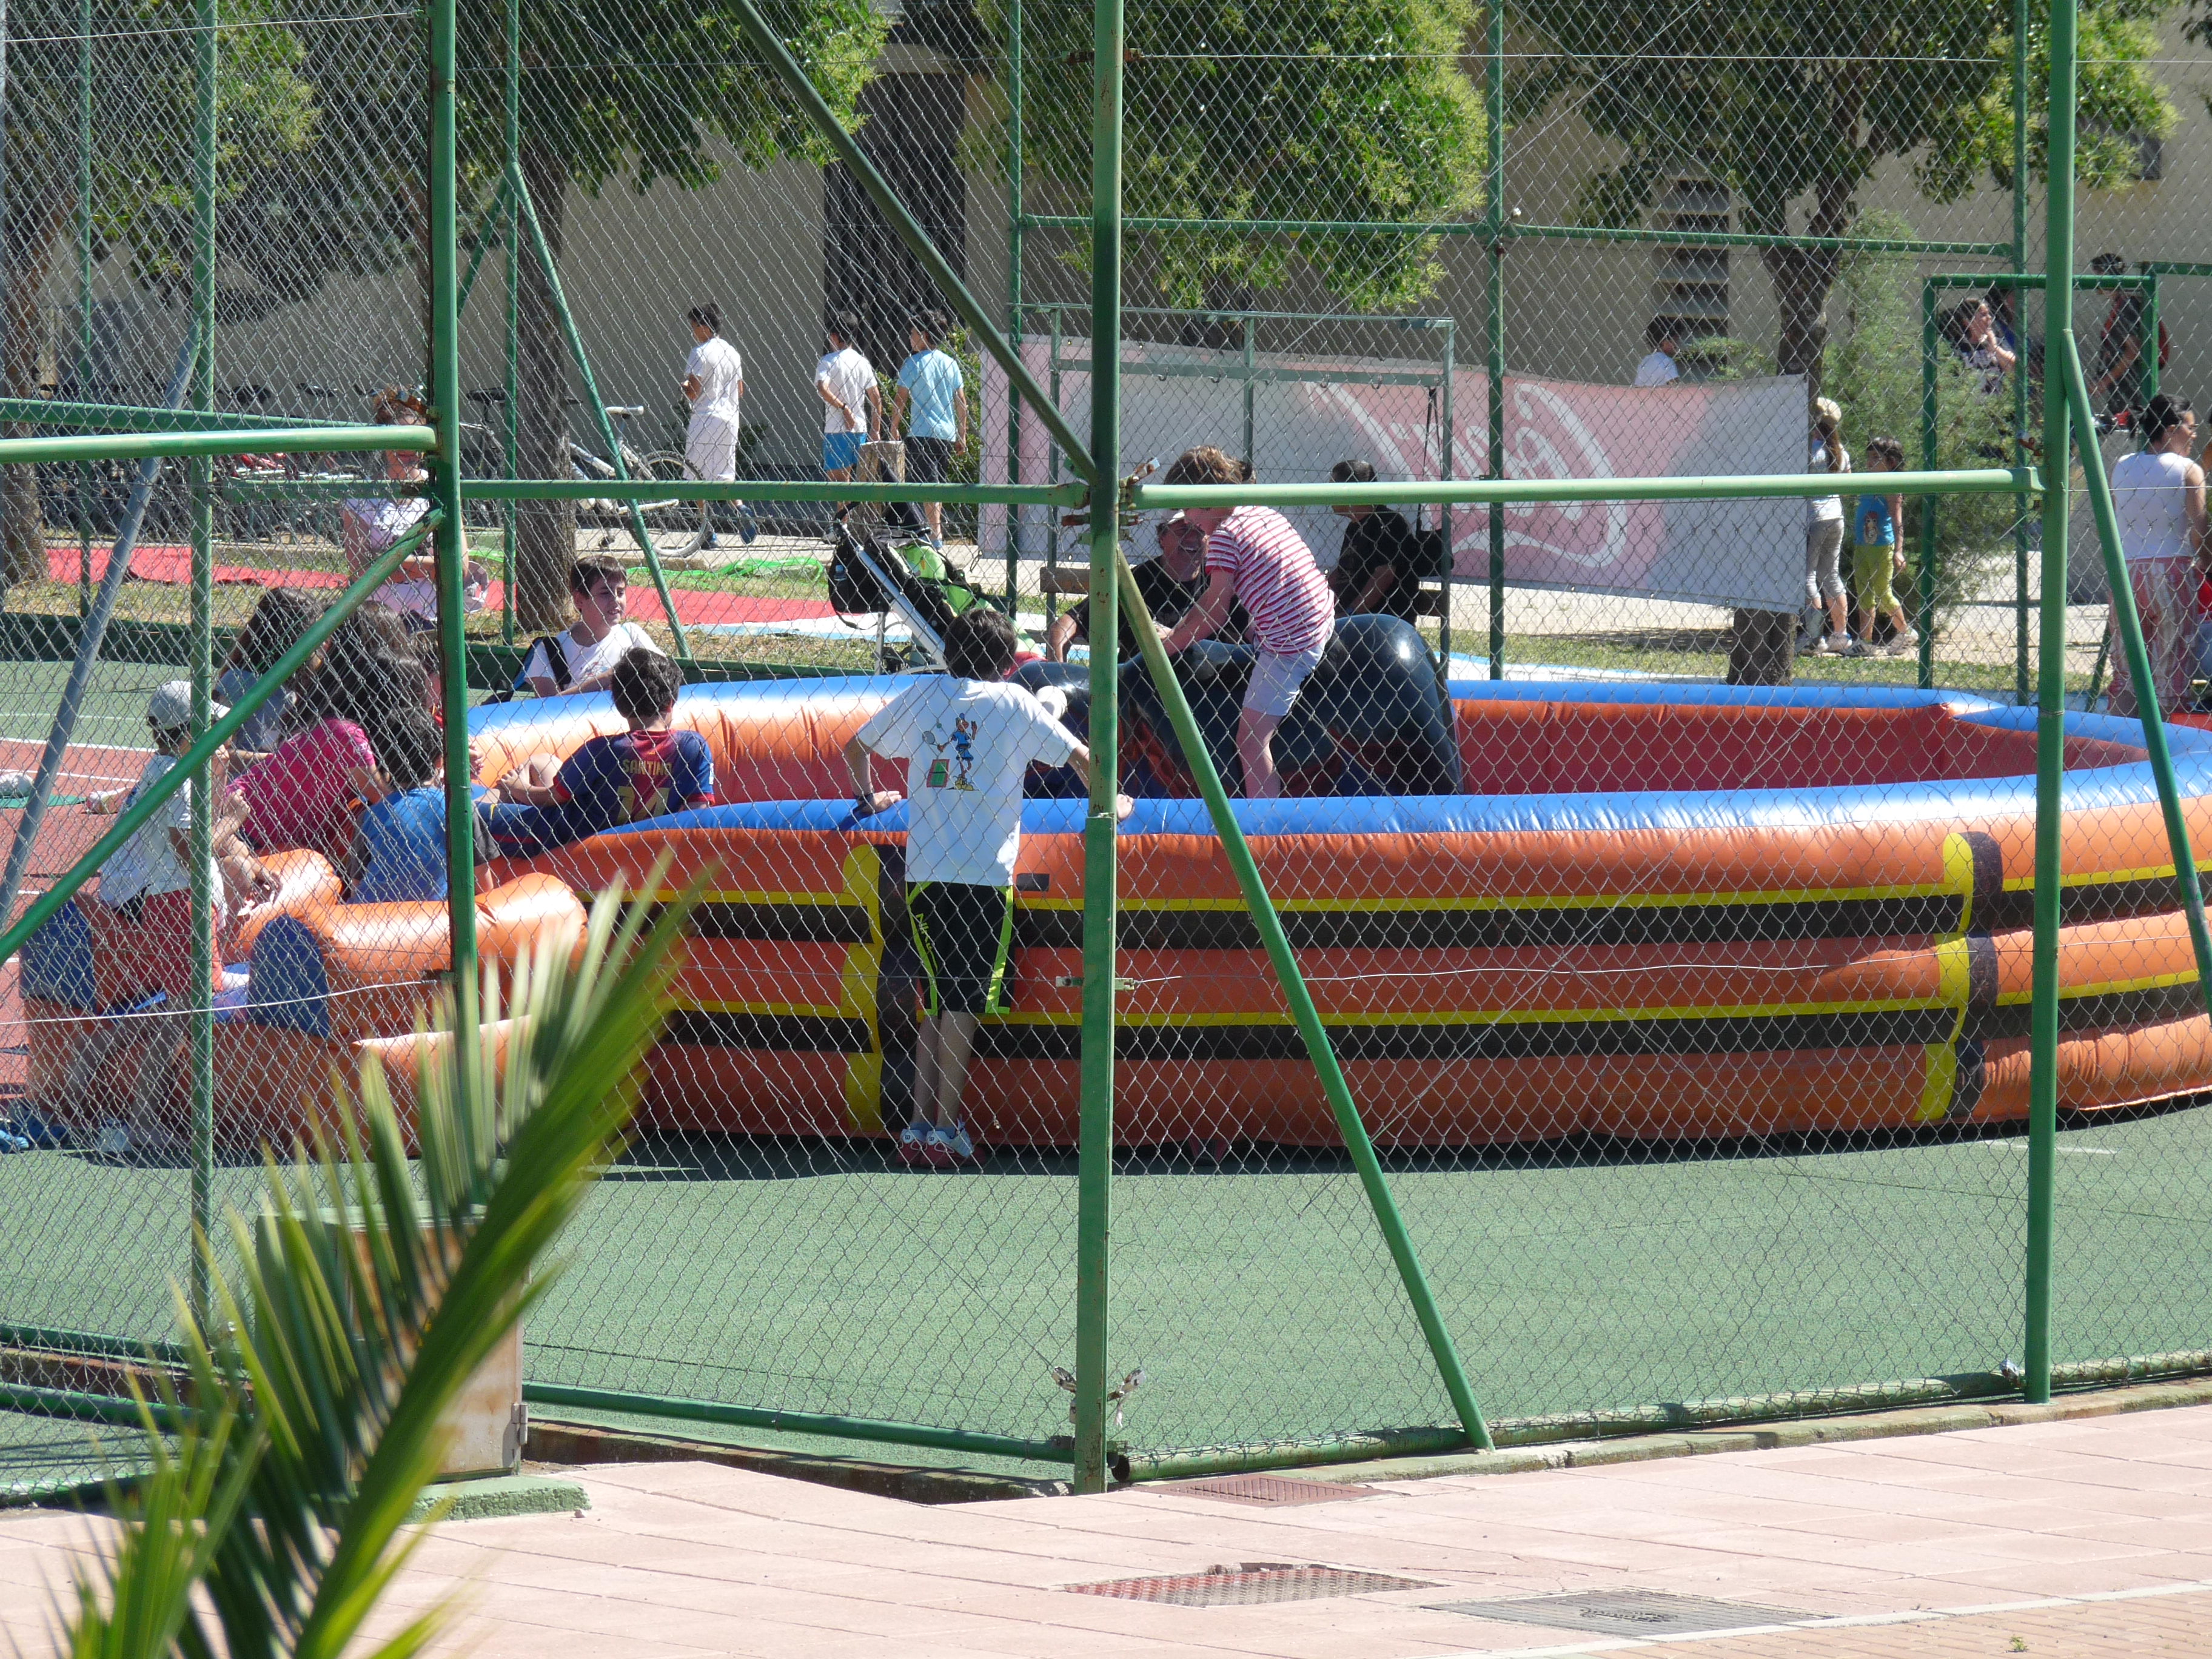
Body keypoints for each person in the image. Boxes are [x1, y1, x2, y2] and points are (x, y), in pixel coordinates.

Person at [845, 607, 1130, 1167]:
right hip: (982, 876)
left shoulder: (923, 696)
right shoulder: (1014, 703)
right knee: (964, 1001)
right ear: (1005, 663)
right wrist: (1111, 800)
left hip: (924, 873)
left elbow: (856, 747)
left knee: (936, 997)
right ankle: (944, 1128)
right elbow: (1082, 758)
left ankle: (920, 1127)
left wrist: (868, 797)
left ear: (949, 653)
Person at [73, 682, 273, 1156]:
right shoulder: (180, 779)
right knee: (185, 1013)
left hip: (173, 901)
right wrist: (234, 818)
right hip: (181, 904)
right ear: (187, 734)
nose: (221, 736)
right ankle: (143, 1118)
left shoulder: (168, 768)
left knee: (184, 1005)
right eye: (211, 728)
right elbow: (190, 852)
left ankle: (94, 1057)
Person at [1157, 445, 1335, 799]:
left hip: (1292, 647)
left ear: (1206, 501)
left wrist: (1166, 646)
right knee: (1253, 628)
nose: (1188, 520)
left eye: (1188, 508)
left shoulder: (1224, 538)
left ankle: (1264, 822)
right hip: (1321, 615)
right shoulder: (1262, 513)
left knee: (1252, 740)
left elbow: (1214, 612)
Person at [480, 647, 714, 859]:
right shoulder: (693, 747)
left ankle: (468, 802)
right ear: (671, 702)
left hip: (563, 838)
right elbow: (699, 810)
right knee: (543, 762)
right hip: (647, 847)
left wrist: (518, 788)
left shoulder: (603, 750)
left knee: (484, 811)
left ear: (620, 705)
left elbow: (553, 797)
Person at [340, 389, 489, 631]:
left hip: (431, 619)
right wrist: (432, 565)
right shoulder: (361, 496)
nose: (407, 448)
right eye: (400, 438)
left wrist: (385, 561)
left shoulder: (440, 487)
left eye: (415, 439)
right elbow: (361, 572)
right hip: (376, 622)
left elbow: (458, 568)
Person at [2108, 394, 2210, 719]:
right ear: (2170, 429)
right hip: (2171, 571)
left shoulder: (2122, 466)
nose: (2194, 435)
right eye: (2190, 428)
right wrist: (2207, 563)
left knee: (2125, 673)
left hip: (2126, 572)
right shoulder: (2188, 471)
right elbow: (2199, 531)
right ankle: (2166, 740)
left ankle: (2117, 743)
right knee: (2172, 668)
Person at [1047, 511, 1226, 662]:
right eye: (1183, 530)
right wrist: (1058, 668)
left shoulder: (1219, 578)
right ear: (1162, 537)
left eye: (1200, 531)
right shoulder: (1137, 581)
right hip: (1141, 680)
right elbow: (1066, 624)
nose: (1193, 538)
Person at [342, 709, 451, 903]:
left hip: (370, 913)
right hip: (432, 914)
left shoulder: (370, 816)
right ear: (440, 761)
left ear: (385, 763)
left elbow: (356, 887)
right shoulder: (457, 808)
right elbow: (484, 887)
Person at [520, 557, 662, 698]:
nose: (616, 600)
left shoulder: (631, 634)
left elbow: (664, 676)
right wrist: (611, 676)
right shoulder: (551, 649)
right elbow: (547, 704)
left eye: (620, 592)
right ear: (579, 600)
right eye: (605, 593)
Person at [681, 304, 757, 551]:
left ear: (705, 327)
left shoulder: (699, 353)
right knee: (725, 473)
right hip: (730, 419)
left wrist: (684, 387)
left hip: (705, 417)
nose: (693, 332)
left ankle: (708, 532)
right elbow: (740, 390)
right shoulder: (732, 353)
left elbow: (694, 391)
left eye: (695, 326)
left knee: (696, 476)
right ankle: (740, 508)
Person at [893, 311, 968, 552]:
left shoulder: (912, 364)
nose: (909, 337)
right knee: (937, 483)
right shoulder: (950, 363)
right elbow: (961, 402)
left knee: (925, 485)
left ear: (924, 335)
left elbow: (900, 399)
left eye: (913, 333)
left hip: (921, 433)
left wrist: (893, 427)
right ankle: (933, 533)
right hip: (946, 433)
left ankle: (933, 536)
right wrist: (962, 434)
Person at [215, 587, 320, 760]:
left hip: (283, 771)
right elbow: (222, 752)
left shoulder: (311, 682)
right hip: (248, 773)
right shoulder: (239, 680)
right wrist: (278, 761)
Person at [1849, 437, 1919, 659]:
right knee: (1864, 594)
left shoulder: (1892, 486)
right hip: (1862, 545)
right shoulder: (1867, 481)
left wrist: (1899, 550)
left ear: (1890, 462)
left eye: (1875, 458)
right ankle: (1866, 642)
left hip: (1882, 547)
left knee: (1883, 593)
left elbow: (1897, 520)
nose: (1869, 462)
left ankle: (1906, 633)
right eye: (1868, 457)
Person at [1326, 460, 1421, 621]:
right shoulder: (1354, 527)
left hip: (1380, 620)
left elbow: (1383, 577)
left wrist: (1350, 614)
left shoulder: (1387, 523)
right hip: (1350, 617)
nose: (1327, 495)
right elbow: (1343, 571)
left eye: (1333, 488)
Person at [2091, 254, 2169, 421]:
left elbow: (2132, 350)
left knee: (2127, 425)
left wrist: (2104, 382)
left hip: (2130, 385)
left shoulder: (2127, 305)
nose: (2096, 282)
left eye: (2099, 275)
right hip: (2124, 385)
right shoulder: (2121, 304)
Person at [816, 312, 882, 504]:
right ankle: (846, 519)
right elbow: (876, 398)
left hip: (837, 429)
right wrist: (876, 430)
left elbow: (822, 388)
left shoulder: (828, 361)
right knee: (850, 479)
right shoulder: (862, 362)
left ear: (835, 336)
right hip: (860, 429)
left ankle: (842, 520)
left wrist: (844, 408)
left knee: (837, 482)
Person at [1802, 399, 1851, 654]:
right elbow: (1848, 485)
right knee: (1831, 575)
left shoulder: (1808, 451)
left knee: (1808, 576)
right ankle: (1841, 635)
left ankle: (1814, 638)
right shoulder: (1840, 451)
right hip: (1836, 516)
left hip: (1813, 517)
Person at [1956, 299, 2017, 397]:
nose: (1989, 318)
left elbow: (2014, 367)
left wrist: (1994, 347)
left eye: (1989, 314)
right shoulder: (1960, 349)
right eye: (1984, 315)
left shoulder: (1997, 341)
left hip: (1998, 401)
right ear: (1968, 322)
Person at [1634, 320, 1681, 387]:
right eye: (1676, 340)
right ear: (1664, 342)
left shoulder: (1645, 361)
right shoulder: (1667, 361)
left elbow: (1637, 385)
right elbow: (1674, 386)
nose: (1678, 344)